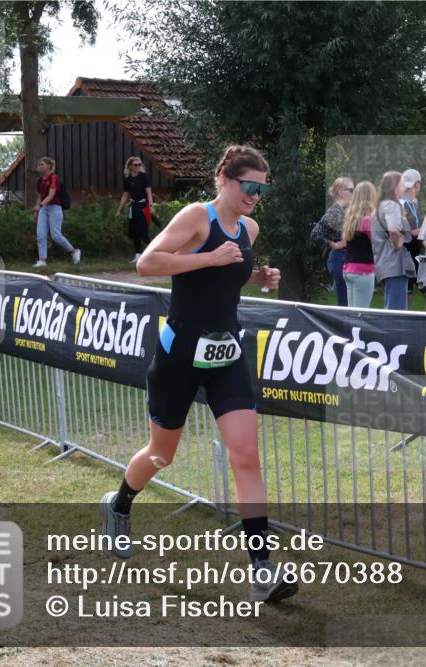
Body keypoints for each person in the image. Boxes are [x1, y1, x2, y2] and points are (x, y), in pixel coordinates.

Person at [99, 145, 297, 604]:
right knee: (161, 455)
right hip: (180, 355)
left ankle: (262, 571)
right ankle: (120, 504)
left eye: (262, 190)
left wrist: (256, 276)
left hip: (227, 353)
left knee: (245, 455)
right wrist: (208, 258)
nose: (255, 196)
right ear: (225, 180)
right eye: (250, 187)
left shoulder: (249, 227)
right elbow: (147, 264)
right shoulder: (196, 217)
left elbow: (228, 270)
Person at [372, 171, 414, 310]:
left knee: (391, 306)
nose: (405, 188)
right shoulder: (391, 205)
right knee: (397, 310)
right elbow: (393, 230)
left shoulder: (380, 205)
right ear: (394, 186)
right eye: (402, 184)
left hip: (385, 262)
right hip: (394, 263)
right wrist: (397, 244)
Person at [311, 177, 355, 306]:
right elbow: (315, 233)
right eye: (351, 190)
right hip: (339, 258)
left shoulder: (346, 211)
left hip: (347, 257)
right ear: (341, 192)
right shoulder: (334, 211)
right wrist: (333, 244)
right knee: (344, 300)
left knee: (349, 300)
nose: (354, 193)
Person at [32, 157, 81, 268]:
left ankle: (74, 252)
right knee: (40, 235)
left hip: (55, 208)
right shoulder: (39, 181)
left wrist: (39, 206)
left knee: (56, 235)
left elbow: (51, 195)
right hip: (44, 209)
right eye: (39, 164)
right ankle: (42, 260)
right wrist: (36, 212)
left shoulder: (54, 178)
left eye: (42, 164)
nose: (39, 166)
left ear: (48, 166)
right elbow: (40, 196)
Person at [341, 180, 378, 309]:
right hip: (363, 270)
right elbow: (377, 243)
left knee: (352, 313)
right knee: (361, 314)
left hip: (348, 268)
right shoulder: (368, 220)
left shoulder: (350, 219)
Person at [116, 157, 155, 264]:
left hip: (144, 207)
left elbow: (149, 192)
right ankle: (138, 254)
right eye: (135, 165)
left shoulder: (144, 177)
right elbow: (125, 196)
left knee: (143, 233)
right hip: (134, 207)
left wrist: (151, 206)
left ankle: (156, 252)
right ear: (130, 166)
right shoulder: (128, 180)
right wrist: (119, 210)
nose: (138, 167)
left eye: (139, 164)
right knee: (134, 233)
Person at [400, 169, 426, 309]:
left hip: (416, 255)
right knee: (406, 296)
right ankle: (404, 328)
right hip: (404, 255)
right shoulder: (400, 203)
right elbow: (406, 231)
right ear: (417, 184)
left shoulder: (414, 202)